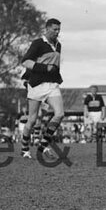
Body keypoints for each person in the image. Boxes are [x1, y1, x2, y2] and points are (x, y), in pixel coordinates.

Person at [19, 17, 65, 159]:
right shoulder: (38, 43)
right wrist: (45, 68)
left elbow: (54, 66)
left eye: (59, 30)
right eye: (54, 29)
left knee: (59, 114)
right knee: (32, 120)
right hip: (37, 85)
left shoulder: (58, 45)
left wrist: (56, 76)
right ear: (47, 29)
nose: (57, 32)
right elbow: (25, 62)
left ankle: (43, 145)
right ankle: (24, 149)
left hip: (52, 85)